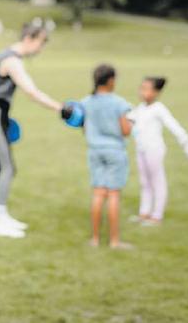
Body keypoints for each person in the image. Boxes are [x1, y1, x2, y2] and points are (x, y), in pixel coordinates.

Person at [0, 19, 63, 238]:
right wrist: (60, 108)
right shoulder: (12, 61)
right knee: (7, 167)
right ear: (28, 39)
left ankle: (2, 215)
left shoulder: (10, 57)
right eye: (41, 43)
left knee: (4, 166)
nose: (41, 49)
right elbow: (31, 92)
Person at [80, 64, 133, 249]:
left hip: (94, 151)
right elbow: (126, 130)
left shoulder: (86, 102)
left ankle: (94, 239)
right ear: (110, 80)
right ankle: (114, 241)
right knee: (113, 195)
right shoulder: (119, 103)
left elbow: (84, 128)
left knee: (98, 193)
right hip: (114, 151)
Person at [127, 77, 188, 226]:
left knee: (157, 181)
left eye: (146, 89)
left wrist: (185, 140)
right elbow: (130, 121)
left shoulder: (159, 108)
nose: (142, 92)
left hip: (154, 150)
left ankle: (157, 216)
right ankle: (144, 213)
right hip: (141, 150)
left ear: (156, 92)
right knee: (145, 182)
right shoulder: (141, 108)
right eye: (141, 88)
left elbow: (172, 124)